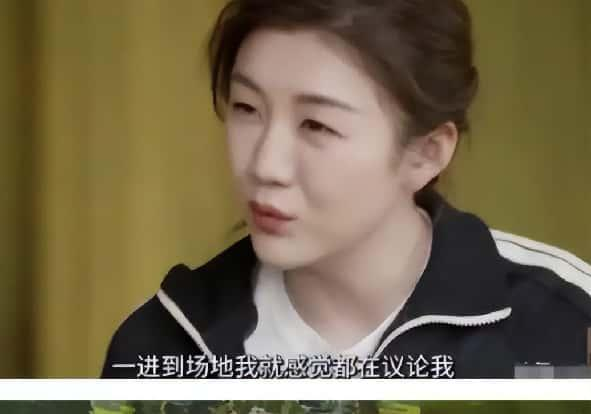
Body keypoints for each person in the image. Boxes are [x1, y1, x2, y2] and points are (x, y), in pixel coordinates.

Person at [101, 0, 591, 379]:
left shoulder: (564, 324)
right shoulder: (161, 346)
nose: (266, 165)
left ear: (427, 152)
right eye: (247, 108)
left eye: (316, 125)